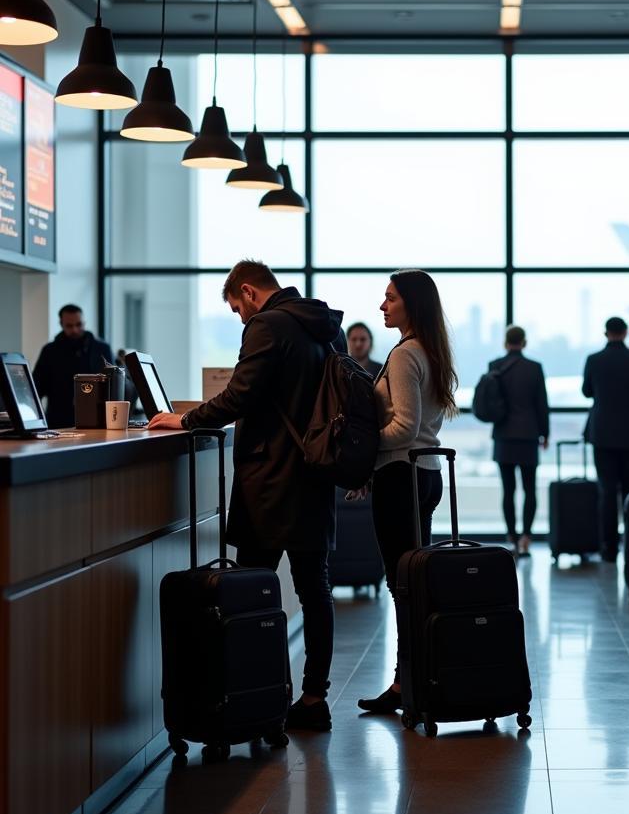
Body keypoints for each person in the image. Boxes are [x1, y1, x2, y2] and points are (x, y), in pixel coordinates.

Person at [149, 260, 342, 733]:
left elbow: (240, 396)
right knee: (314, 588)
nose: (239, 318)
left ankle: (262, 699)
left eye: (237, 308)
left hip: (271, 477)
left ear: (250, 292)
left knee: (254, 590)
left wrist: (185, 418)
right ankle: (313, 697)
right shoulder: (324, 327)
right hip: (315, 473)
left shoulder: (266, 325)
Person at [357, 269, 458, 715]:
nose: (382, 306)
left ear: (411, 305)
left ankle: (407, 683)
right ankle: (415, 677)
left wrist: (358, 446)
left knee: (403, 586)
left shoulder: (403, 354)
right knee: (413, 581)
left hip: (401, 475)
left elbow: (403, 427)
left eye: (390, 298)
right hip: (426, 473)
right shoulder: (430, 350)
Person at [582, 316, 629, 562]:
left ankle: (608, 548)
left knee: (607, 491)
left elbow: (587, 391)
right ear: (625, 333)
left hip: (602, 434)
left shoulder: (594, 360)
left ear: (605, 332)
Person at [489, 325, 550, 557]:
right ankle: (527, 536)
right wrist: (545, 433)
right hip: (528, 435)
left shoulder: (496, 366)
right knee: (529, 488)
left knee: (508, 490)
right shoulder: (535, 368)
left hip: (503, 435)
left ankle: (512, 538)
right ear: (524, 343)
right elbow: (541, 404)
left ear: (506, 342)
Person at [32, 305, 114, 428]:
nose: (75, 330)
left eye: (79, 324)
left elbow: (113, 386)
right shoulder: (50, 351)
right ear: (61, 324)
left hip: (97, 420)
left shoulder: (102, 349)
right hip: (58, 423)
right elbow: (36, 389)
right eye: (69, 326)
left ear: (84, 323)